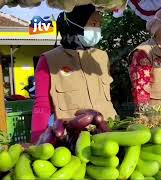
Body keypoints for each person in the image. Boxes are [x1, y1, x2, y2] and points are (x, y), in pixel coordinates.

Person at [31, 4, 117, 143]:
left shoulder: (102, 57)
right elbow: (42, 106)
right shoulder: (49, 60)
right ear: (76, 23)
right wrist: (37, 141)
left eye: (99, 25)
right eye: (93, 24)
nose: (97, 30)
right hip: (71, 140)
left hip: (108, 133)